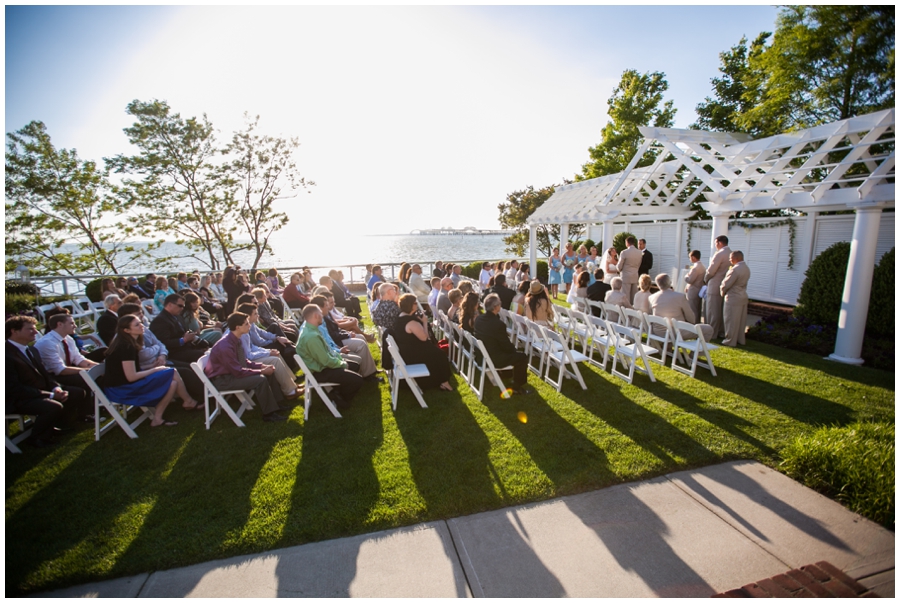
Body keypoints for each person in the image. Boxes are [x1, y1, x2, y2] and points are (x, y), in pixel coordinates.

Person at [103, 314, 200, 427]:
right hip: (121, 389)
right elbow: (131, 376)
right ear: (127, 330)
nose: (141, 325)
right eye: (137, 324)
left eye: (140, 322)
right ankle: (189, 402)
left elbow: (131, 370)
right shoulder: (126, 347)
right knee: (172, 372)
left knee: (173, 383)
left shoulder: (129, 343)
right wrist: (154, 369)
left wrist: (151, 366)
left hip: (126, 383)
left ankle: (157, 419)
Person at [205, 312, 290, 422]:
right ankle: (269, 414)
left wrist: (262, 366)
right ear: (237, 327)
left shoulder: (235, 339)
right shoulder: (225, 346)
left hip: (231, 374)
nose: (249, 325)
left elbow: (243, 361)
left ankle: (277, 404)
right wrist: (261, 370)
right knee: (260, 379)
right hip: (224, 380)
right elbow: (238, 371)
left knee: (269, 370)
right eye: (246, 324)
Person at [117, 303, 204, 400]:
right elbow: (144, 354)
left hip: (160, 360)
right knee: (186, 372)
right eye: (137, 314)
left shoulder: (143, 329)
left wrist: (162, 356)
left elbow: (161, 344)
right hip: (147, 368)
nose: (142, 315)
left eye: (141, 312)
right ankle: (204, 395)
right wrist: (157, 350)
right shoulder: (127, 341)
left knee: (190, 366)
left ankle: (203, 391)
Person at [6, 316, 68, 447]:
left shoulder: (31, 349)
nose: (35, 332)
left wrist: (55, 388)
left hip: (36, 391)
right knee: (53, 406)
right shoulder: (6, 355)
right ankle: (37, 438)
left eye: (35, 329)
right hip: (16, 399)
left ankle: (50, 427)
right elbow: (13, 388)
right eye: (30, 329)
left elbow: (45, 374)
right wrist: (50, 395)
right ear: (14, 331)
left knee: (76, 393)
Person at [296, 304, 364, 408]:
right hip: (320, 371)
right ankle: (338, 400)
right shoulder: (311, 337)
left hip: (322, 366)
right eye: (320, 313)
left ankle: (337, 391)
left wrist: (339, 357)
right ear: (315, 315)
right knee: (357, 380)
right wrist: (342, 364)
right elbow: (326, 361)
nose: (322, 316)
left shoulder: (311, 329)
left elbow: (327, 352)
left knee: (355, 366)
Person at [233, 303, 302, 399]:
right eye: (255, 314)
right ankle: (289, 391)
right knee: (274, 360)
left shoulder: (246, 327)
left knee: (275, 354)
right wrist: (268, 352)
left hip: (250, 357)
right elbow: (249, 355)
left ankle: (292, 384)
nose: (258, 315)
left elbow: (253, 346)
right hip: (245, 363)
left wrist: (270, 349)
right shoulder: (242, 333)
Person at [388, 294, 453, 391]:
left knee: (437, 352)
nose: (416, 305)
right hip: (411, 354)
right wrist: (425, 322)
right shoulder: (411, 323)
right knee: (440, 354)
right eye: (415, 303)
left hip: (405, 350)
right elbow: (425, 338)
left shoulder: (400, 317)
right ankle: (444, 382)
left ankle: (441, 380)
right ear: (410, 305)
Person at [475, 293, 531, 396]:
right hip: (493, 359)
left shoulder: (479, 319)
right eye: (500, 304)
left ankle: (506, 374)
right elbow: (505, 345)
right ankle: (517, 387)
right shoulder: (498, 324)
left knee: (513, 354)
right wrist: (515, 351)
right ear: (496, 307)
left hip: (481, 356)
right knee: (522, 357)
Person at [33, 313, 100, 394]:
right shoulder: (47, 343)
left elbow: (79, 359)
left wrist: (99, 367)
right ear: (60, 324)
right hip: (52, 377)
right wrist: (91, 370)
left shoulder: (68, 339)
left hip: (65, 371)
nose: (75, 326)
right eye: (71, 323)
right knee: (88, 378)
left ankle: (101, 402)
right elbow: (60, 370)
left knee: (102, 374)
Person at [649, 273, 714, 342]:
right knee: (708, 329)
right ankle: (695, 352)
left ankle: (668, 348)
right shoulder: (680, 296)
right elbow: (691, 318)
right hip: (676, 332)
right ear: (670, 282)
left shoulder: (651, 297)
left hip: (658, 331)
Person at [149, 294, 210, 363]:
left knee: (209, 347)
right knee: (201, 355)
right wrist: (183, 340)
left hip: (185, 348)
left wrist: (195, 339)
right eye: (180, 306)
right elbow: (164, 343)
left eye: (183, 306)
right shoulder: (160, 321)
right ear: (170, 305)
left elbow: (184, 332)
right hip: (173, 353)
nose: (182, 308)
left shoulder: (178, 317)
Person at [720, 251, 751, 347]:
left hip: (733, 297)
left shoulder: (735, 269)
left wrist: (722, 291)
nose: (729, 260)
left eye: (730, 258)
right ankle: (740, 339)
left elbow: (726, 284)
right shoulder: (746, 268)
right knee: (741, 321)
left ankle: (730, 340)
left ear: (736, 258)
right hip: (742, 296)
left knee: (731, 319)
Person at [704, 235, 732, 340]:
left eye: (716, 243)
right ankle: (721, 331)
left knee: (712, 310)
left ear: (719, 243)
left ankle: (712, 332)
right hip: (725, 285)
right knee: (721, 309)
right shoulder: (731, 253)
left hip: (715, 283)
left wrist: (705, 279)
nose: (715, 245)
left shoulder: (719, 254)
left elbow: (711, 271)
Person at [617, 236, 642, 303]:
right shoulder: (639, 252)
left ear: (627, 243)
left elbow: (619, 266)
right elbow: (639, 265)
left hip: (626, 276)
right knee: (634, 295)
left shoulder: (624, 252)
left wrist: (618, 269)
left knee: (626, 295)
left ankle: (626, 311)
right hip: (635, 275)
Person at [684, 250, 706, 326]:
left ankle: (692, 324)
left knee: (692, 308)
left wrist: (686, 276)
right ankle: (697, 323)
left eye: (690, 257)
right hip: (699, 289)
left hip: (693, 290)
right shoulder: (702, 266)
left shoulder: (696, 268)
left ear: (693, 257)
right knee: (697, 308)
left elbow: (690, 280)